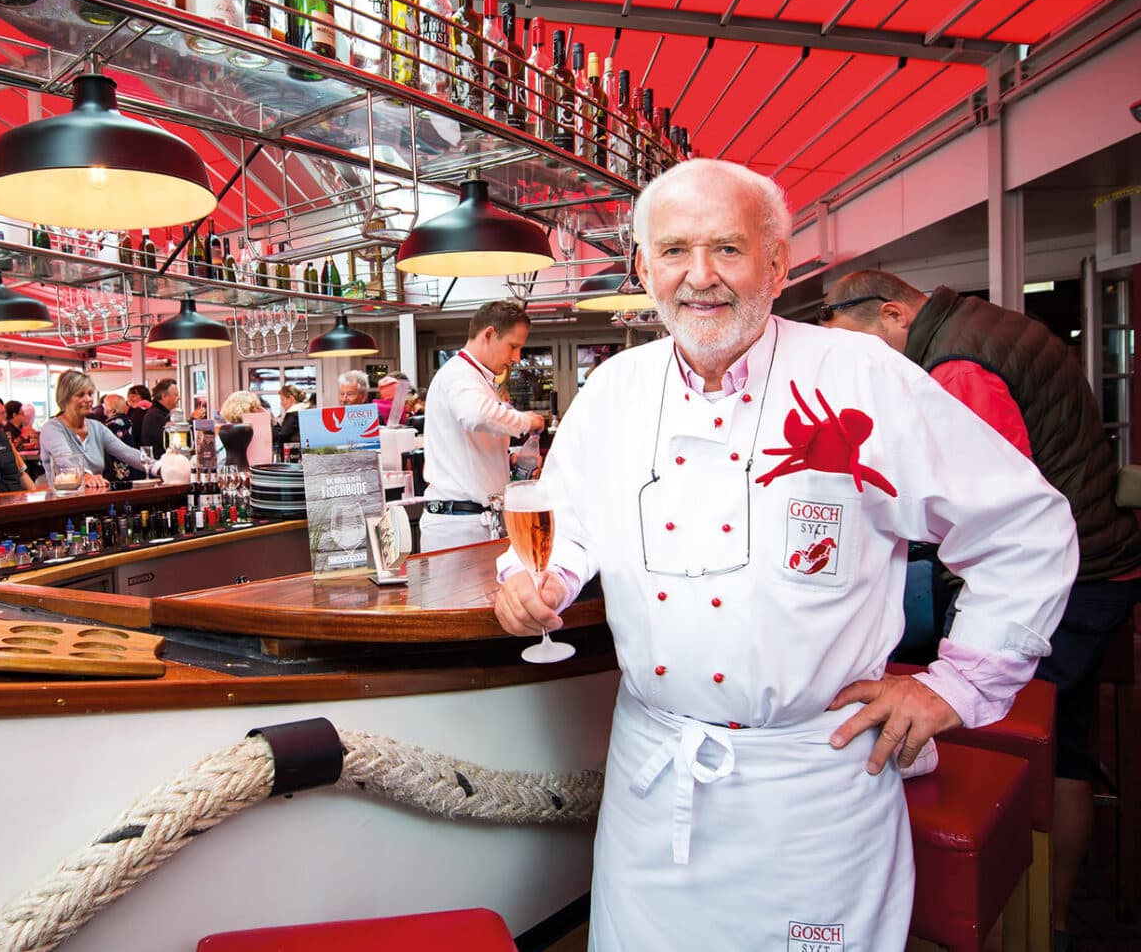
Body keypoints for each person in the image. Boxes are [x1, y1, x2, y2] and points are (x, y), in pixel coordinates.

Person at [492, 158, 1079, 948]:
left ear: (777, 264)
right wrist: (537, 580)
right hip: (654, 784)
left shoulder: (860, 376)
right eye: (674, 250)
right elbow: (567, 525)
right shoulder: (612, 392)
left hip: (815, 790)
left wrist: (960, 682)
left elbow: (1024, 526)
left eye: (728, 248)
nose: (700, 275)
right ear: (643, 268)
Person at [819, 268, 1141, 943]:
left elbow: (992, 512)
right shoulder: (983, 327)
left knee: (1029, 738)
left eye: (859, 346)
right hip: (1099, 565)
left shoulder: (957, 364)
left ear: (894, 314)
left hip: (1068, 579)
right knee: (1065, 746)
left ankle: (1031, 920)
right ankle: (1052, 920)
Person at [419, 301, 546, 553]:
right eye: (513, 346)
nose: (516, 358)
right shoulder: (459, 373)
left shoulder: (477, 378)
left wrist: (507, 461)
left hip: (475, 521)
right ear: (488, 335)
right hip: (458, 527)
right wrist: (526, 421)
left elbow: (468, 444)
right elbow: (475, 415)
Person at [40, 370, 159, 488]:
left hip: (96, 496)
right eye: (81, 395)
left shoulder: (97, 427)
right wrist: (85, 476)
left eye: (90, 394)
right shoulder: (52, 428)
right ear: (65, 398)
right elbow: (65, 460)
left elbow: (127, 452)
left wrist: (158, 467)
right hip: (64, 498)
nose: (88, 399)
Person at [140, 378, 180, 454]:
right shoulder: (155, 416)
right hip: (159, 460)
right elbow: (171, 441)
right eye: (175, 395)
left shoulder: (161, 413)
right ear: (164, 396)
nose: (179, 398)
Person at [274, 384, 310, 451]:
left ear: (291, 398)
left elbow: (281, 436)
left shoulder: (293, 414)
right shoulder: (303, 411)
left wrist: (273, 424)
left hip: (295, 453)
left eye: (282, 399)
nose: (281, 403)